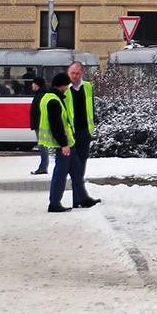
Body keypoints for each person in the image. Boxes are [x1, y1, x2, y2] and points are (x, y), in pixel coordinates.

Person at [63, 61, 100, 209]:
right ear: (68, 73)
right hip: (71, 132)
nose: (74, 76)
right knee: (75, 166)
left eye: (77, 73)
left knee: (81, 165)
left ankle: (77, 199)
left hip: (84, 131)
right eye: (72, 73)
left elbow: (90, 107)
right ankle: (81, 198)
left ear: (82, 73)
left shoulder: (87, 87)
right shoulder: (64, 89)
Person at [38, 74, 73, 213]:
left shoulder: (48, 97)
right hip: (61, 143)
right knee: (60, 172)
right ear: (63, 85)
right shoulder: (54, 101)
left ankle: (57, 201)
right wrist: (64, 143)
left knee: (62, 170)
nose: (67, 88)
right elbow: (57, 124)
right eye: (67, 86)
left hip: (60, 142)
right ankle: (55, 203)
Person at [26, 71, 47, 174]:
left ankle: (43, 167)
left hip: (40, 124)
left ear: (37, 85)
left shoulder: (40, 96)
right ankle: (43, 166)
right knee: (42, 145)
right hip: (39, 123)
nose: (32, 85)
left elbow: (39, 111)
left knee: (42, 145)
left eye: (34, 83)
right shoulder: (40, 94)